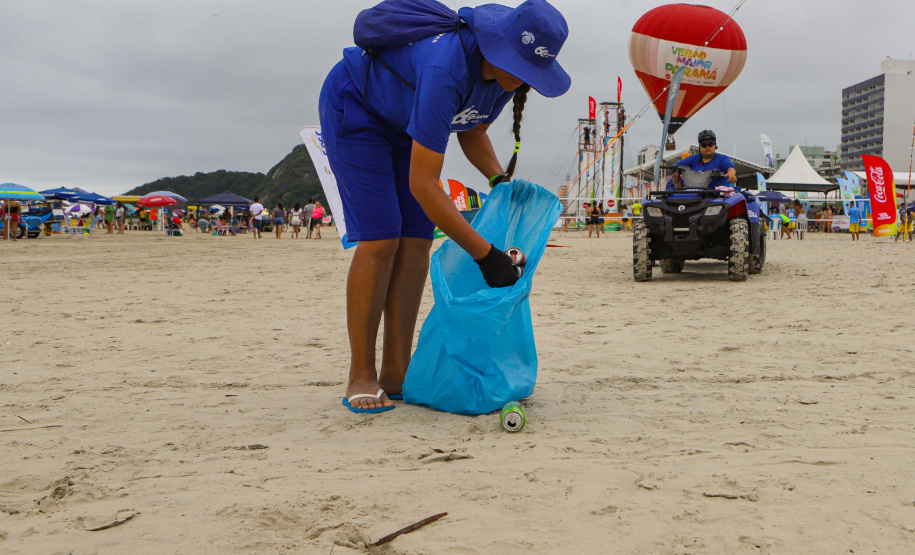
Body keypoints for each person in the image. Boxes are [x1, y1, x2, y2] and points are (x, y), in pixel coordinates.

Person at [318, 0, 570, 411]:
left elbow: (472, 128)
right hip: (357, 110)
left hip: (405, 124)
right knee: (382, 240)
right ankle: (361, 373)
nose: (522, 79)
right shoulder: (446, 66)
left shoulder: (506, 79)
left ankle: (396, 372)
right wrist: (485, 255)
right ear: (497, 46)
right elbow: (424, 183)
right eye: (519, 66)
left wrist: (498, 181)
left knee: (416, 242)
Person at [670, 130, 737, 189]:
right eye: (704, 145)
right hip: (695, 197)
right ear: (700, 147)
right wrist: (679, 189)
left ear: (715, 145)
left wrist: (731, 173)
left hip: (717, 198)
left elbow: (730, 167)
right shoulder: (693, 159)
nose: (707, 147)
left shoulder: (722, 158)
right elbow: (675, 168)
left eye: (710, 144)